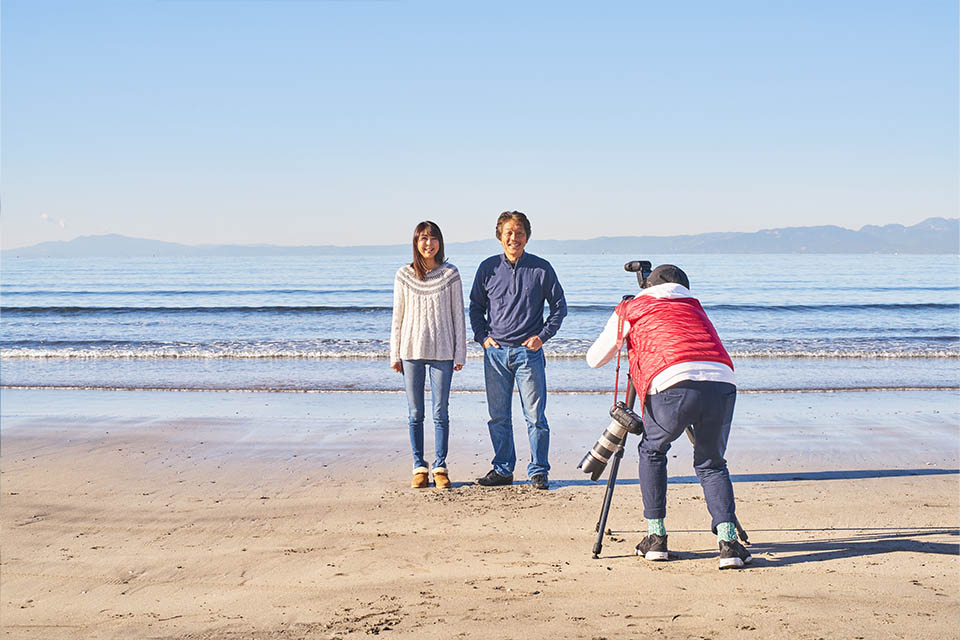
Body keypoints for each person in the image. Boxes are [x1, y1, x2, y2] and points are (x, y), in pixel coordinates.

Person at [586, 264, 752, 569]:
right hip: (722, 381)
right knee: (711, 463)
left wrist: (625, 323)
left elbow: (595, 359)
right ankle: (728, 544)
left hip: (671, 383)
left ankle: (656, 538)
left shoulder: (635, 307)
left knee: (652, 450)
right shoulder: (693, 306)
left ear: (648, 286)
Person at [469, 211, 567, 490]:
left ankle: (538, 470)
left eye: (520, 232)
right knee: (498, 416)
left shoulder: (541, 268)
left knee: (535, 417)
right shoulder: (487, 268)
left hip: (528, 355)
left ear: (527, 236)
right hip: (495, 354)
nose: (514, 237)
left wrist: (542, 337)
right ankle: (502, 469)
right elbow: (476, 307)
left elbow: (559, 307)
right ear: (500, 236)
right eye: (509, 232)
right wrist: (482, 338)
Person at [390, 221, 466, 489]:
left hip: (443, 352)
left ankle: (440, 466)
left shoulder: (450, 274)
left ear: (440, 243)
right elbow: (397, 317)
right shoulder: (404, 275)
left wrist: (460, 353)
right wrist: (394, 354)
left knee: (440, 412)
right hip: (411, 352)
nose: (428, 244)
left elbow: (459, 315)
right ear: (416, 242)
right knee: (415, 413)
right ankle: (418, 466)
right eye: (423, 238)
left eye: (433, 239)